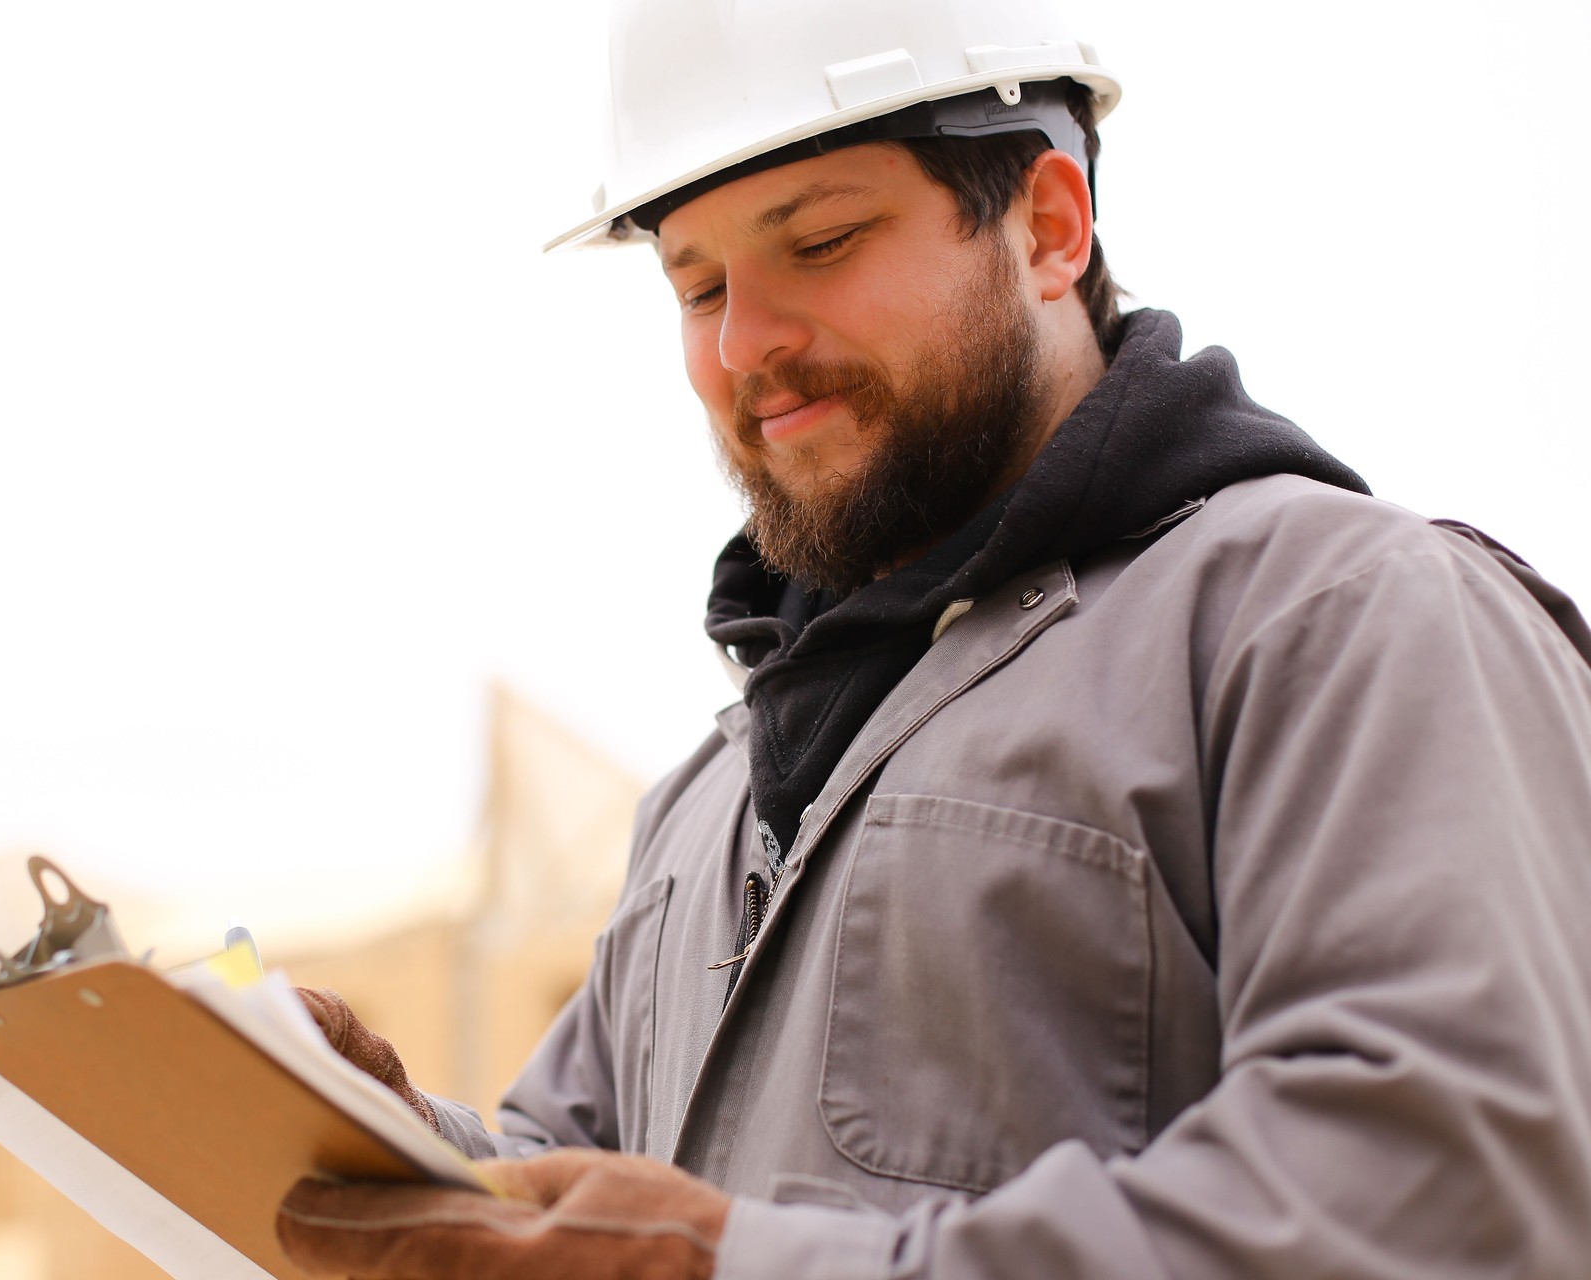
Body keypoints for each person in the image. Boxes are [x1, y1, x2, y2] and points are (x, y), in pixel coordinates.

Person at [274, 0, 1591, 1276]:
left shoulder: (1340, 623)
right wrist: (388, 1146)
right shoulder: (716, 800)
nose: (748, 339)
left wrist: (728, 1269)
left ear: (1049, 228)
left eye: (825, 241)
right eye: (699, 285)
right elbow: (575, 1183)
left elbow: (1452, 1206)